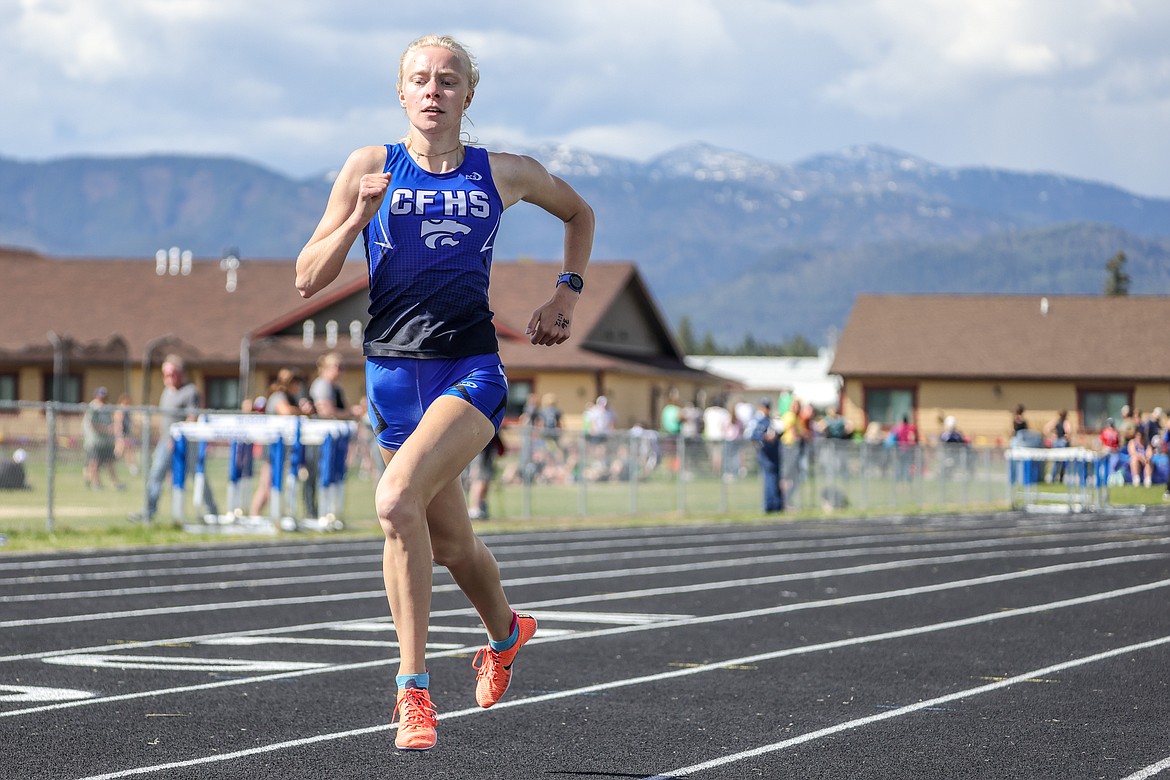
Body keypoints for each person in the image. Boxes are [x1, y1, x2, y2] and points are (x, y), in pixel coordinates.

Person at [293, 34, 594, 752]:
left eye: (448, 80)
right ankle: (507, 632)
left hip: (469, 372)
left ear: (467, 95)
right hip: (393, 377)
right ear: (401, 94)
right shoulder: (370, 166)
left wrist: (567, 293)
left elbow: (579, 215)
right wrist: (356, 219)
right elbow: (308, 277)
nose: (434, 91)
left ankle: (413, 692)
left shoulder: (505, 174)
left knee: (396, 503)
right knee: (454, 542)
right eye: (420, 80)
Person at [132, 355, 218, 522]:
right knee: (156, 475)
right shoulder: (166, 392)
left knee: (198, 476)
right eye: (165, 374)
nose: (167, 378)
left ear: (180, 373)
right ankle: (148, 511)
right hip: (165, 442)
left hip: (185, 443)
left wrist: (179, 438)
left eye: (171, 374)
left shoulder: (190, 391)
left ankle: (212, 510)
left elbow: (192, 417)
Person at [83, 387, 124, 490]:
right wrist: (106, 429)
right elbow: (92, 424)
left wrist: (116, 428)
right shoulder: (93, 408)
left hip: (107, 442)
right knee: (94, 463)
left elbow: (113, 421)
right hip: (95, 442)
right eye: (100, 396)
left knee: (110, 463)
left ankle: (115, 484)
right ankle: (96, 483)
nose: (102, 398)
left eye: (104, 396)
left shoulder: (107, 407)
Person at [749, 398, 784, 512]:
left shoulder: (770, 420)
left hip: (774, 452)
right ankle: (770, 505)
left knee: (775, 478)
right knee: (770, 478)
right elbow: (753, 435)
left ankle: (777, 505)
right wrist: (765, 438)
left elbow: (779, 431)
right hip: (766, 452)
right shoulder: (758, 420)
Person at [466, 432, 504, 519]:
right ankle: (475, 508)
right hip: (482, 446)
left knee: (483, 479)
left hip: (485, 445)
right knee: (480, 479)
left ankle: (480, 506)